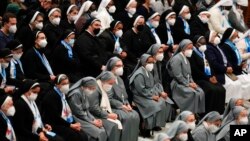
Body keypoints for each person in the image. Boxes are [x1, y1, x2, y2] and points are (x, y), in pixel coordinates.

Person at [129, 54, 168, 137]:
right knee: (153, 106)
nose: (151, 64)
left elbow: (152, 86)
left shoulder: (148, 73)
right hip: (139, 96)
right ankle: (145, 128)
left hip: (147, 95)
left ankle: (154, 125)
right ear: (143, 63)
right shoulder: (139, 74)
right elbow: (141, 90)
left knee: (162, 102)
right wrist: (152, 97)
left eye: (152, 62)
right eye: (149, 62)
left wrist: (156, 94)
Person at [41, 74, 88, 141]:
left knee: (83, 135)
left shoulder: (62, 94)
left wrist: (74, 123)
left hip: (65, 122)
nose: (66, 85)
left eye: (67, 83)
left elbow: (68, 112)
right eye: (63, 84)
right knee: (75, 136)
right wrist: (71, 125)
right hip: (55, 124)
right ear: (57, 85)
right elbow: (55, 117)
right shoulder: (51, 96)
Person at [105, 56, 140, 141]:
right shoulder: (107, 79)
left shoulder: (120, 79)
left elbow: (125, 96)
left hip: (122, 106)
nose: (121, 68)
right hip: (111, 107)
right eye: (118, 65)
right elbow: (108, 99)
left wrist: (127, 104)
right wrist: (121, 106)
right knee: (126, 117)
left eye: (122, 65)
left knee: (135, 115)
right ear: (112, 66)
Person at [189, 35, 226, 114]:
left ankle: (219, 112)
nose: (204, 46)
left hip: (209, 78)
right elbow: (195, 71)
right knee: (211, 89)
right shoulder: (193, 54)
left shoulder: (204, 53)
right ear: (196, 44)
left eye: (204, 44)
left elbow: (211, 66)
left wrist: (213, 76)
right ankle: (208, 113)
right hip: (199, 78)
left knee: (222, 89)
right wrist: (208, 78)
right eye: (202, 44)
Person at [168, 39, 205, 114]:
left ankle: (195, 112)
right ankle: (187, 113)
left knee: (200, 91)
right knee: (192, 93)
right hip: (178, 84)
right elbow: (178, 75)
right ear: (183, 48)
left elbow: (189, 75)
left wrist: (193, 83)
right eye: (189, 48)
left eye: (191, 48)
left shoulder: (186, 59)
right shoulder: (177, 59)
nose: (190, 50)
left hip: (186, 82)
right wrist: (188, 84)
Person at [205, 30, 242, 103]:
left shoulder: (217, 46)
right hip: (219, 72)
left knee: (238, 83)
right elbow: (214, 63)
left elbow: (225, 59)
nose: (217, 37)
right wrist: (225, 69)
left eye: (217, 35)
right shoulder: (209, 48)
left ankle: (236, 102)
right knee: (231, 85)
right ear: (210, 39)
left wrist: (229, 66)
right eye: (215, 36)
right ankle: (227, 103)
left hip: (226, 71)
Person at [67, 76, 108, 141]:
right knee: (99, 132)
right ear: (84, 87)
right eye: (91, 88)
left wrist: (94, 119)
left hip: (85, 117)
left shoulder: (84, 92)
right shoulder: (75, 94)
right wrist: (92, 122)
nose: (92, 91)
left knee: (102, 128)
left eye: (94, 89)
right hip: (77, 118)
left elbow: (87, 110)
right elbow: (79, 112)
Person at [21, 31, 56, 107]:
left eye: (45, 38)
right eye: (42, 38)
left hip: (47, 79)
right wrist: (48, 77)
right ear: (35, 40)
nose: (45, 40)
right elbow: (31, 73)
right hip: (38, 80)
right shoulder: (30, 53)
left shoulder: (42, 52)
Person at [87, 71, 121, 141]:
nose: (111, 86)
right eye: (110, 83)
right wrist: (108, 115)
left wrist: (109, 114)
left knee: (118, 121)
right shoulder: (95, 89)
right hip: (93, 115)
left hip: (100, 112)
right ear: (104, 81)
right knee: (113, 126)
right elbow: (93, 108)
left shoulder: (102, 86)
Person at [146, 43, 175, 121]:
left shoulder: (158, 63)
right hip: (150, 90)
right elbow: (151, 83)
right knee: (161, 102)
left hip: (158, 88)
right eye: (159, 52)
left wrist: (162, 91)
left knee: (169, 103)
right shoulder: (149, 65)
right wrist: (160, 92)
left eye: (162, 52)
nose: (161, 54)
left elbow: (159, 81)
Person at [220, 28, 250, 101]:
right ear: (230, 37)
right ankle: (243, 100)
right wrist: (240, 67)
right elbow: (229, 62)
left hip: (238, 69)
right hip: (233, 72)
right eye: (235, 37)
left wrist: (241, 64)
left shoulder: (232, 45)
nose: (237, 38)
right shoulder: (225, 46)